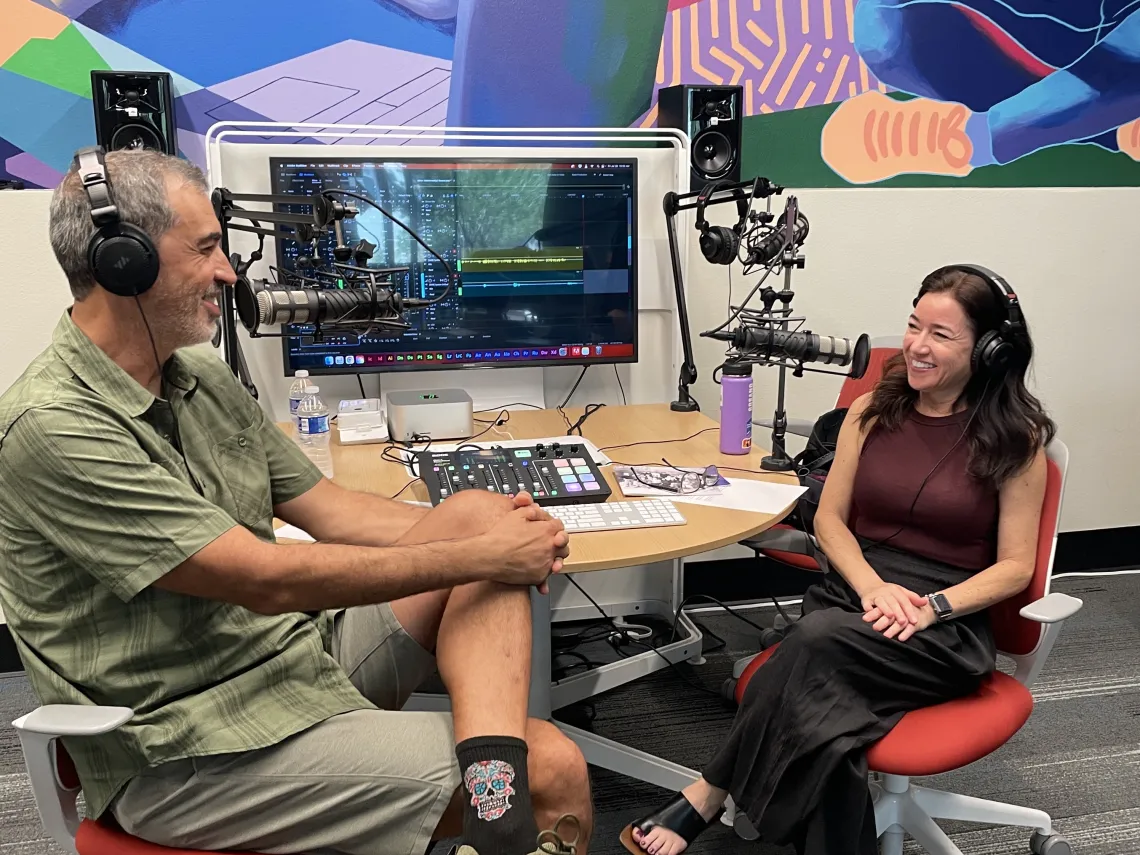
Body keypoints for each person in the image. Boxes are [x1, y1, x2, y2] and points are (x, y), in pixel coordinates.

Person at [0, 148, 592, 855]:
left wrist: (494, 536)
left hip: (290, 667)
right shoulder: (53, 426)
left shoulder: (198, 379)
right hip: (188, 752)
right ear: (124, 263)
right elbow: (262, 577)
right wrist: (476, 555)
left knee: (481, 512)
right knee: (554, 765)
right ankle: (510, 799)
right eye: (207, 248)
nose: (227, 273)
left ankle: (493, 808)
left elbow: (331, 507)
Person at [621, 264, 1055, 855]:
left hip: (940, 629)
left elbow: (1014, 568)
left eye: (941, 335)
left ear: (991, 349)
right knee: (837, 730)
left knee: (815, 641)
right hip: (856, 592)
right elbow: (828, 518)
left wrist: (931, 608)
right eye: (913, 326)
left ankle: (709, 789)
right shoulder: (874, 409)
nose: (917, 347)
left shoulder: (1016, 437)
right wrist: (873, 586)